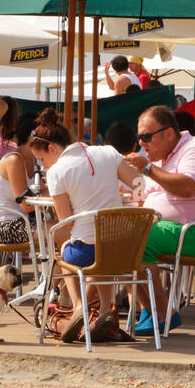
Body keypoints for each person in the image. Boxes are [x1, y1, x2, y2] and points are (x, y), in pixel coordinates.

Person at [124, 106, 195, 336]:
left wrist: (147, 168)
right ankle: (140, 309)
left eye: (146, 136)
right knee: (116, 238)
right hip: (174, 230)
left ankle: (163, 313)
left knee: (134, 241)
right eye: (139, 137)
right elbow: (147, 194)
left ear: (168, 133)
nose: (142, 142)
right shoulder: (159, 158)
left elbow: (186, 187)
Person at [29, 110, 141, 342]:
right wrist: (135, 209)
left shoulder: (57, 172)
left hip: (87, 251)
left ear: (52, 149)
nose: (43, 165)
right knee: (104, 249)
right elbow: (138, 183)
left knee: (65, 250)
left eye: (41, 160)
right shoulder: (108, 152)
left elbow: (65, 222)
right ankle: (104, 310)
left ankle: (78, 305)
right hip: (123, 248)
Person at [0, 112, 40, 245]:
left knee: (68, 227)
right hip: (5, 227)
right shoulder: (13, 160)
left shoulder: (36, 159)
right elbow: (26, 205)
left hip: (27, 220)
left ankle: (56, 266)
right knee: (64, 231)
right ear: (33, 136)